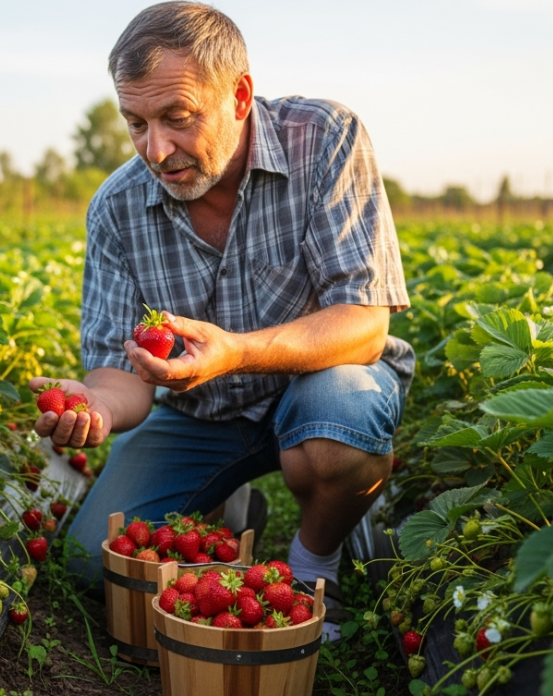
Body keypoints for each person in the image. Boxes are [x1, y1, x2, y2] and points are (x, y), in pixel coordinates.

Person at [31, 1, 413, 637]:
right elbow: (122, 377)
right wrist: (97, 404)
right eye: (136, 124)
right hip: (202, 414)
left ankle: (313, 562)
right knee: (90, 563)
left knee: (339, 421)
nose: (156, 149)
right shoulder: (116, 209)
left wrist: (236, 352)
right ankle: (230, 506)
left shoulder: (324, 138)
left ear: (238, 96)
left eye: (178, 118)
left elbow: (365, 323)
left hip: (319, 390)